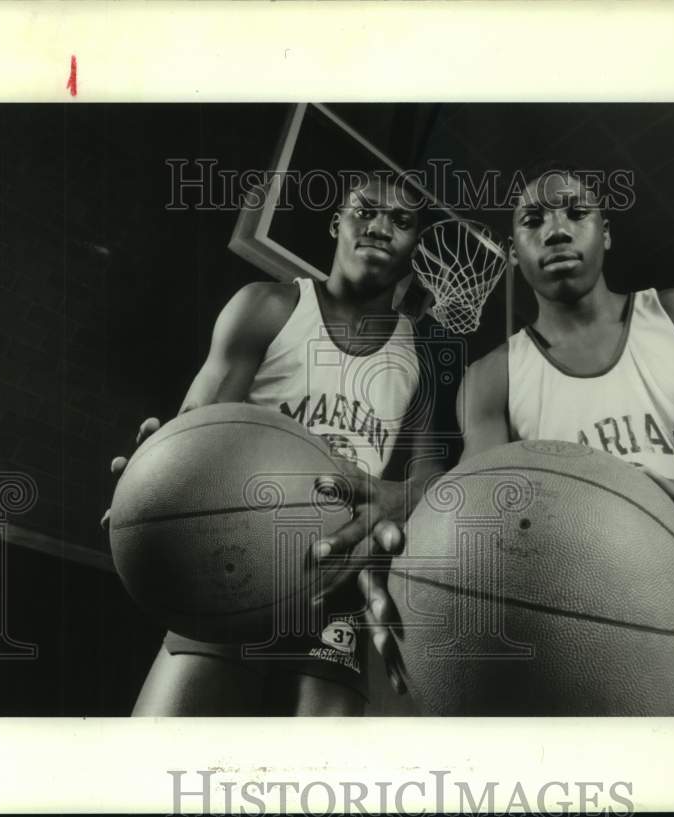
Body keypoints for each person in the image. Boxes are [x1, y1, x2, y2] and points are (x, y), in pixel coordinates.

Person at [338, 162, 674, 715]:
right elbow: (474, 511)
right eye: (533, 220)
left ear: (606, 232)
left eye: (576, 212)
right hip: (579, 642)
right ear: (513, 250)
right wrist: (416, 546)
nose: (557, 230)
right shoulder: (493, 378)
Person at [102, 173, 445, 715]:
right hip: (233, 557)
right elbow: (196, 427)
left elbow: (433, 482)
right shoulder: (268, 306)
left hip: (335, 583)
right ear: (337, 223)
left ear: (413, 249)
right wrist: (157, 475)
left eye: (402, 222)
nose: (380, 227)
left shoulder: (423, 360)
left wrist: (400, 497)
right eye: (365, 211)